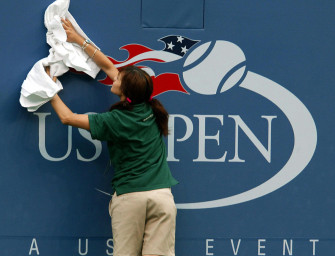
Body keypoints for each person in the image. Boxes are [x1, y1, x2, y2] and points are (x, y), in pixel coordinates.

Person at [47, 18, 178, 256]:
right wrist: (79, 40)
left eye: (119, 79)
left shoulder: (113, 121)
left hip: (131, 199)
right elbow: (108, 66)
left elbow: (67, 117)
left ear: (126, 91)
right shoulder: (149, 107)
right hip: (163, 199)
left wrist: (48, 88)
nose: (114, 77)